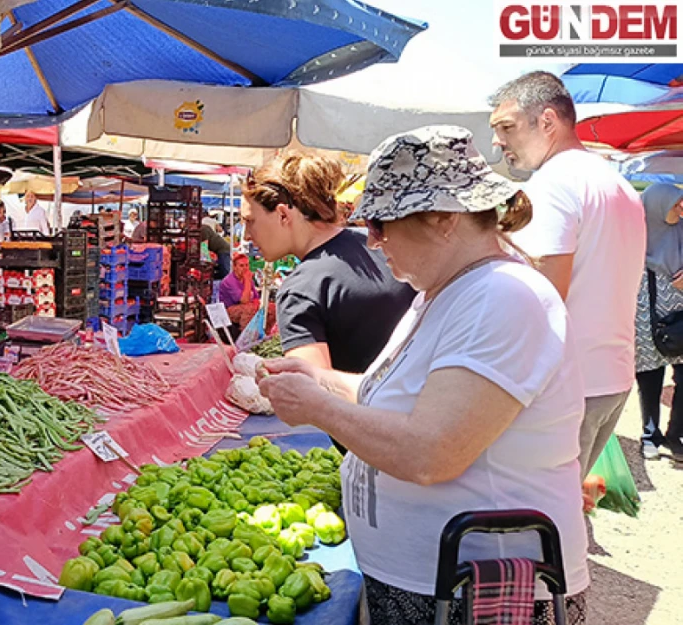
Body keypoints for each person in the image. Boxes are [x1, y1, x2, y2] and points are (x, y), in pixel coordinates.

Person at [258, 126, 588, 625]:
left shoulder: (501, 296)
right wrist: (313, 382)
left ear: (442, 219)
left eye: (382, 223)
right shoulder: (443, 293)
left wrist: (317, 408)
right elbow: (386, 396)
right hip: (436, 586)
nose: (370, 239)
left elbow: (433, 452)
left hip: (474, 595)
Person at [490, 71, 646, 477]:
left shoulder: (553, 185)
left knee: (535, 519)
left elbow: (541, 297)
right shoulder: (616, 183)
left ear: (546, 122)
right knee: (560, 513)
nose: (497, 141)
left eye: (506, 127)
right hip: (610, 375)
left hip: (566, 385)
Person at [241, 151, 414, 374]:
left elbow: (313, 395)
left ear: (283, 215)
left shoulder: (302, 289)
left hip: (363, 406)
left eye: (250, 221)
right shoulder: (382, 245)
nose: (246, 235)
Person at [633, 184, 683, 462]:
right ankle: (650, 435)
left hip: (681, 320)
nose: (680, 209)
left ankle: (676, 435)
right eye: (674, 204)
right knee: (650, 378)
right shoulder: (637, 238)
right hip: (646, 319)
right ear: (658, 207)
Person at [217, 253, 275, 331]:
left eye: (247, 265)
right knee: (249, 309)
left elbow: (256, 297)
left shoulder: (247, 279)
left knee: (272, 308)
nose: (245, 268)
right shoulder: (229, 281)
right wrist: (247, 280)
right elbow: (244, 300)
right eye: (241, 266)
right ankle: (246, 337)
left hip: (247, 305)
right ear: (234, 267)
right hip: (229, 310)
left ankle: (265, 333)